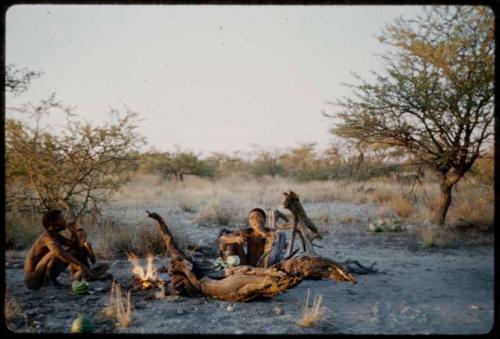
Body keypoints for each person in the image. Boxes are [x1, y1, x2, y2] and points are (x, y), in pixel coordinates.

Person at [24, 209, 98, 289]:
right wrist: (79, 265)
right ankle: (82, 272)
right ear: (53, 223)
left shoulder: (56, 236)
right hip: (32, 280)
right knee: (55, 252)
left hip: (44, 275)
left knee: (74, 251)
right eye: (61, 219)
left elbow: (76, 247)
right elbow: (59, 253)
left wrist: (73, 233)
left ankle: (77, 276)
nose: (65, 220)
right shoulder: (46, 237)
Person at [217, 208, 281, 268]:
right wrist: (237, 239)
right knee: (232, 243)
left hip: (266, 265)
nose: (255, 220)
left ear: (264, 220)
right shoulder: (248, 231)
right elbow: (221, 239)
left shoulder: (271, 232)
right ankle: (233, 267)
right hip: (247, 265)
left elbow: (276, 241)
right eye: (252, 218)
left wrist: (261, 231)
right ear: (249, 222)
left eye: (258, 217)